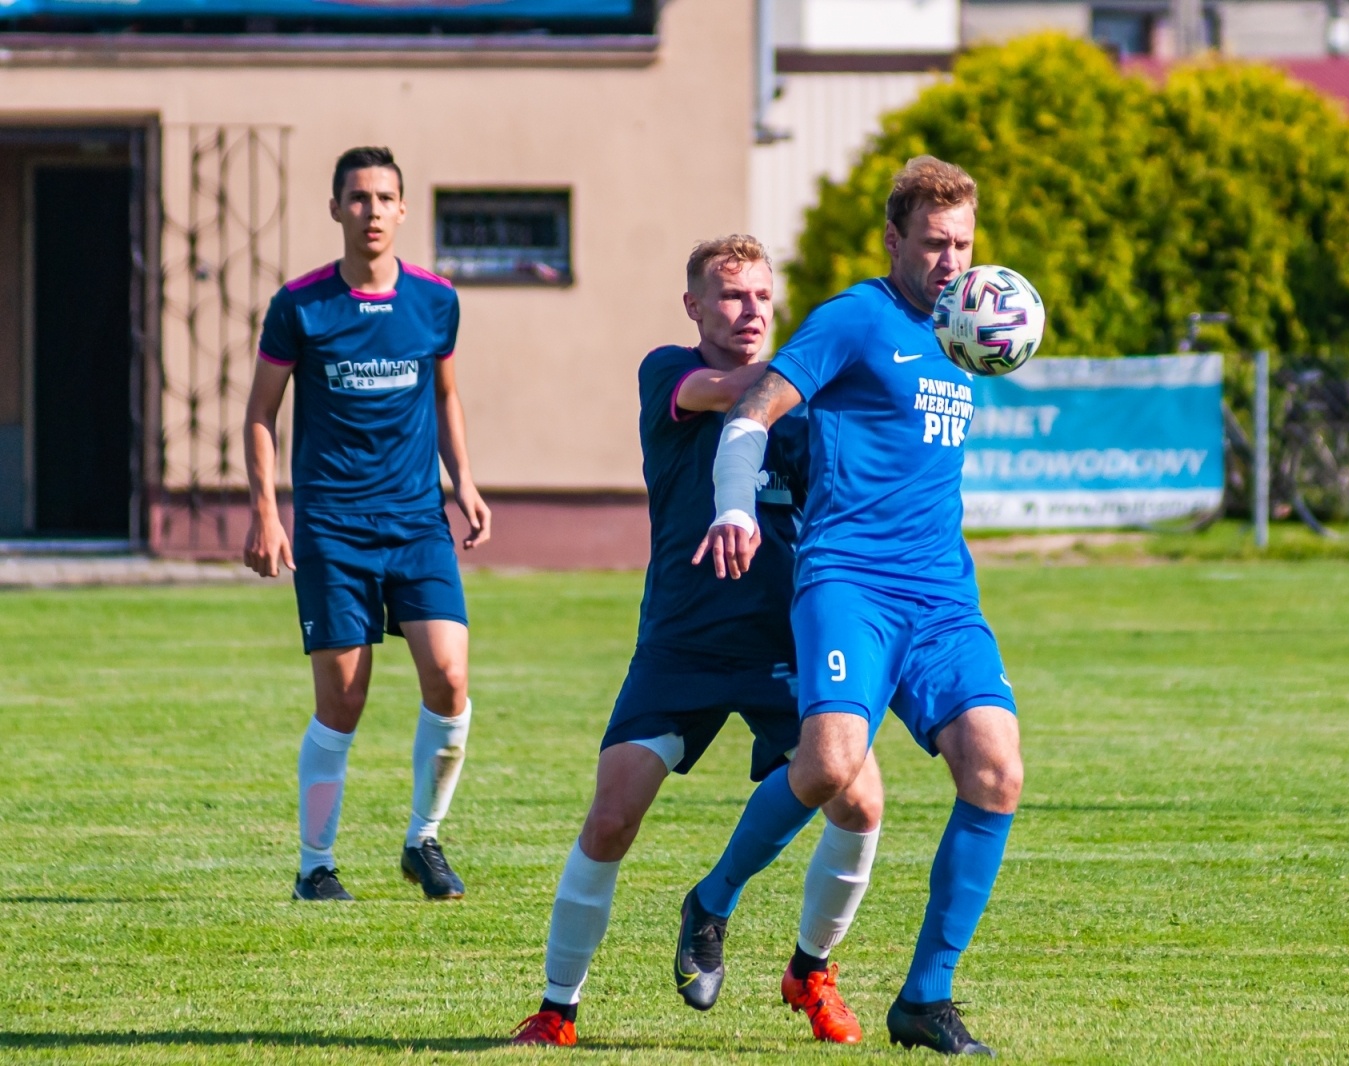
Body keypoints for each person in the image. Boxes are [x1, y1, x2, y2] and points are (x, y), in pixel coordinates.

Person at [682, 157, 1022, 1056]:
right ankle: (712, 899)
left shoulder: (966, 332)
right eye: (934, 244)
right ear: (894, 240)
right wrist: (733, 504)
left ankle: (924, 1000)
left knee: (996, 771)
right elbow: (754, 411)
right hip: (850, 582)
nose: (952, 262)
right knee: (831, 767)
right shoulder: (854, 318)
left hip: (943, 593)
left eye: (963, 244)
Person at [511, 236, 884, 1048]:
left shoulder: (812, 398)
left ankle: (812, 971)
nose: (750, 311)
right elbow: (729, 389)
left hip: (787, 643)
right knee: (612, 817)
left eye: (761, 297)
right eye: (731, 297)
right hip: (681, 643)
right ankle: (555, 1008)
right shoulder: (670, 372)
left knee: (860, 799)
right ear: (695, 307)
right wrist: (844, 361)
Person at [243, 146, 491, 904]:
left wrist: (464, 482)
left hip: (417, 521)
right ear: (336, 208)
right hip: (333, 527)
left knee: (449, 678)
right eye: (358, 198)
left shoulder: (436, 301)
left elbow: (444, 395)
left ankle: (424, 839)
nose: (372, 211)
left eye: (385, 198)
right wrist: (265, 511)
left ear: (403, 210)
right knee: (342, 702)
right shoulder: (301, 305)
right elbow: (260, 413)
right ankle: (315, 865)